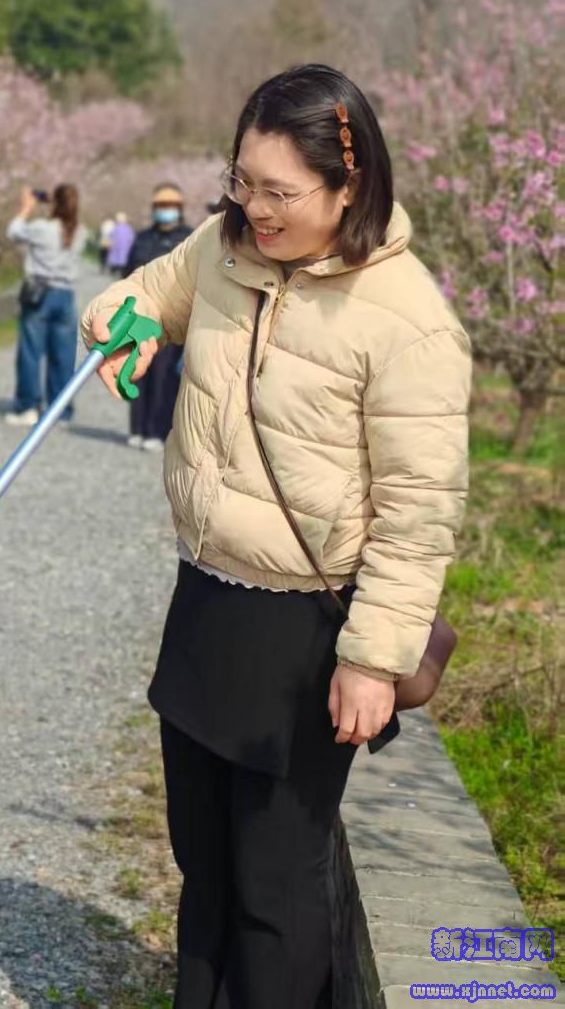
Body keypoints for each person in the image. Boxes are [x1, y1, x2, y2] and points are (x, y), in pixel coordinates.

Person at [80, 64, 471, 1007]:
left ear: (348, 185)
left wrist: (371, 660)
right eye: (241, 181)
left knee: (275, 881)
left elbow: (418, 515)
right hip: (206, 597)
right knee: (203, 858)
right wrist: (126, 323)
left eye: (279, 192)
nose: (254, 208)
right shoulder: (221, 249)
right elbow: (139, 296)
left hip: (306, 631)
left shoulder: (409, 320)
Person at [4, 184, 87, 427]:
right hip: (66, 296)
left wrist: (26, 207)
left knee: (31, 353)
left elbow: (13, 231)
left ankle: (27, 406)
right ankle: (60, 410)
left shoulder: (43, 228)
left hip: (40, 295)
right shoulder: (80, 231)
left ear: (54, 203)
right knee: (63, 356)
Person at [123, 183, 194, 452]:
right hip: (138, 319)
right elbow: (128, 275)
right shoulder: (142, 238)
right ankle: (137, 428)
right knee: (137, 372)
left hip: (171, 320)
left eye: (171, 205)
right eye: (161, 206)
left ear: (179, 208)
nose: (166, 210)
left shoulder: (189, 240)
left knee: (164, 377)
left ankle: (157, 431)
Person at [105, 210, 136, 276]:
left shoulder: (117, 228)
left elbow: (110, 236)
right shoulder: (127, 228)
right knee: (121, 259)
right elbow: (132, 238)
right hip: (123, 248)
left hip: (119, 247)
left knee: (117, 259)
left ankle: (115, 270)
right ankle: (118, 270)